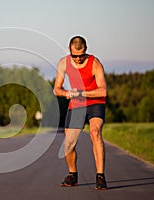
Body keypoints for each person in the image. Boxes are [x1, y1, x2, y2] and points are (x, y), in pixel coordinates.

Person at [53, 36, 108, 190]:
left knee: (95, 132)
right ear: (70, 51)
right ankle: (72, 175)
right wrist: (67, 93)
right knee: (69, 143)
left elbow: (103, 90)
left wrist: (82, 93)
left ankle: (100, 176)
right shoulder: (63, 63)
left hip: (95, 102)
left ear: (86, 50)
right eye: (74, 55)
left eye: (81, 55)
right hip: (76, 104)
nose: (77, 59)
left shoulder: (94, 63)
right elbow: (56, 89)